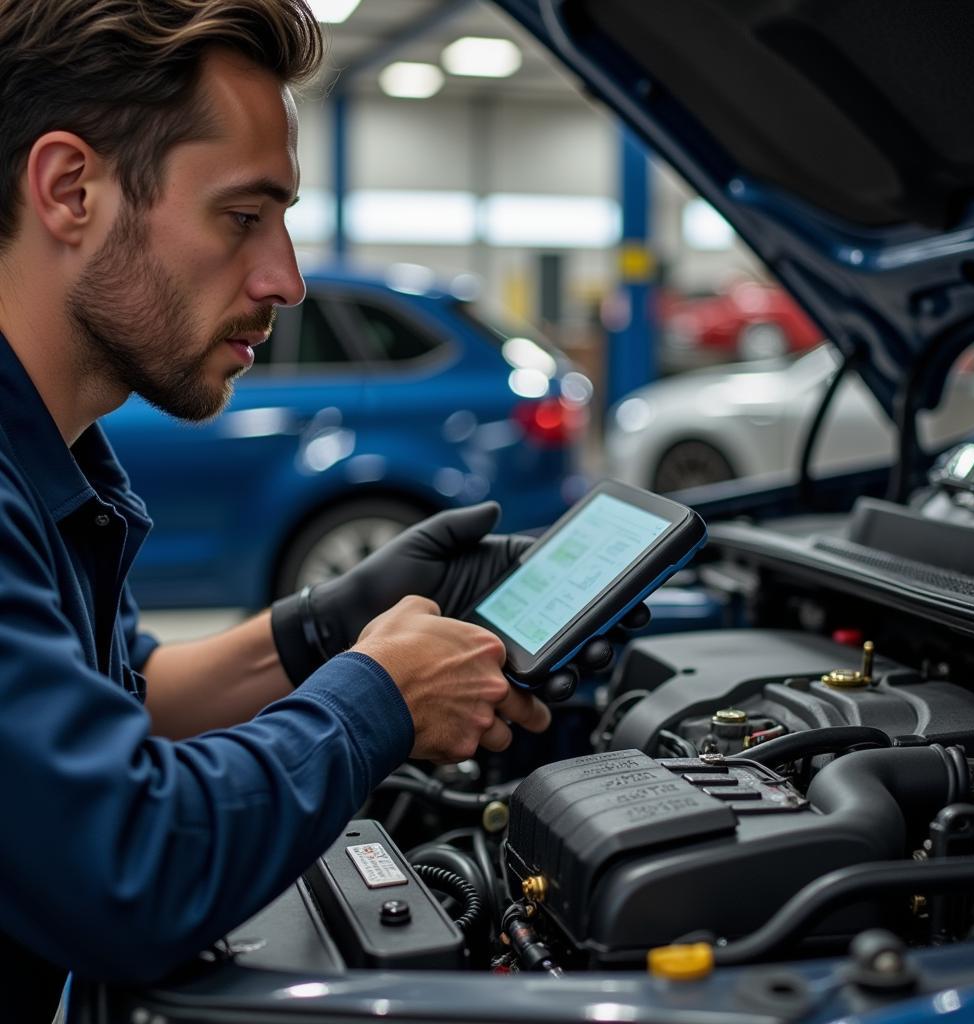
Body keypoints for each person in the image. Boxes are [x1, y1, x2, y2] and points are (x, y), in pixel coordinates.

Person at [0, 1, 617, 1018]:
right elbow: (125, 864)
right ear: (72, 190)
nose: (281, 275)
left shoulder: (59, 463)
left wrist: (329, 625)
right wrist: (377, 695)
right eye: (244, 217)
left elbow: (123, 697)